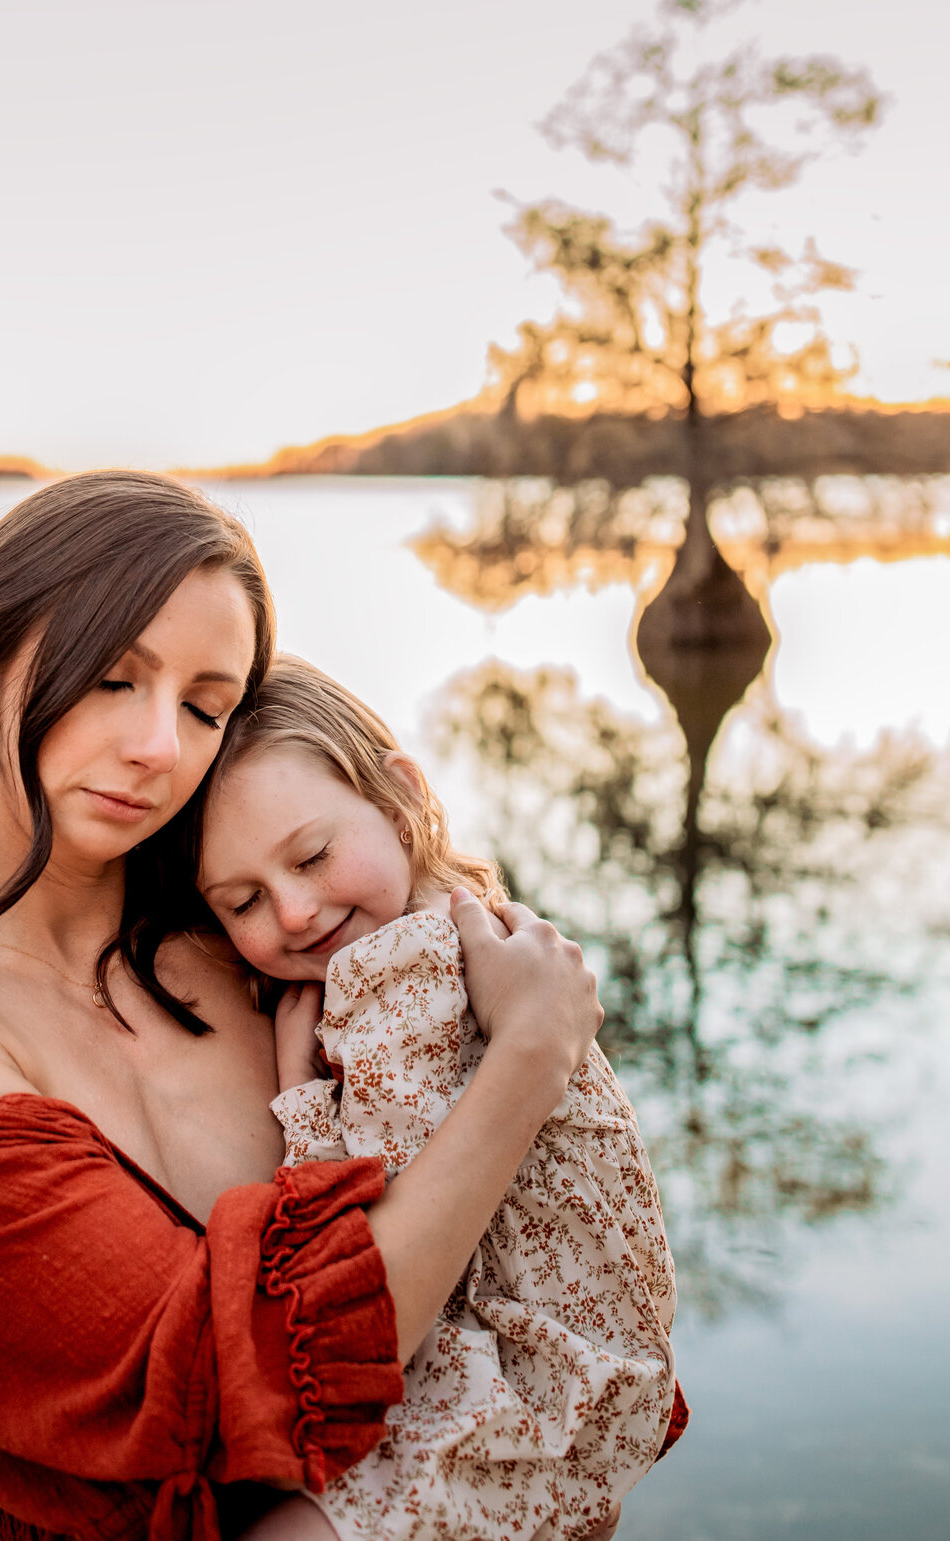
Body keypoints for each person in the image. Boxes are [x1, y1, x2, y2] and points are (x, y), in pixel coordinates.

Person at [0, 471, 605, 1541]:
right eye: (116, 679)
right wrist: (529, 1058)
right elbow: (223, 1392)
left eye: (205, 706)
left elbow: (530, 1256)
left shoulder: (251, 938)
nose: (160, 747)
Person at [193, 656, 689, 1541]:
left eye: (311, 855)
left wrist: (299, 1099)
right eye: (245, 901)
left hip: (537, 1380)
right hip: (589, 1360)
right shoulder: (461, 914)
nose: (297, 911)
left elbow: (376, 1223)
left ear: (397, 798)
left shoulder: (406, 971)